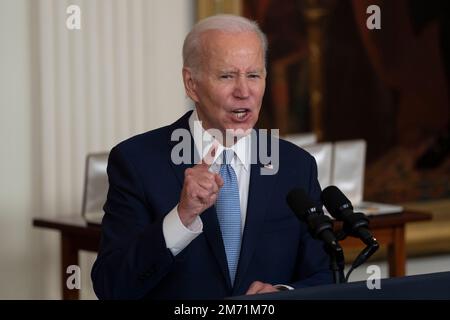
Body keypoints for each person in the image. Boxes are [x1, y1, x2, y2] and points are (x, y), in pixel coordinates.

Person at [91, 14, 332, 300]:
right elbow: (112, 286)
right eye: (227, 76)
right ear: (191, 84)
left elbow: (327, 273)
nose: (244, 92)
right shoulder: (136, 162)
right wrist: (182, 217)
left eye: (253, 75)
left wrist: (282, 293)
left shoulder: (295, 166)